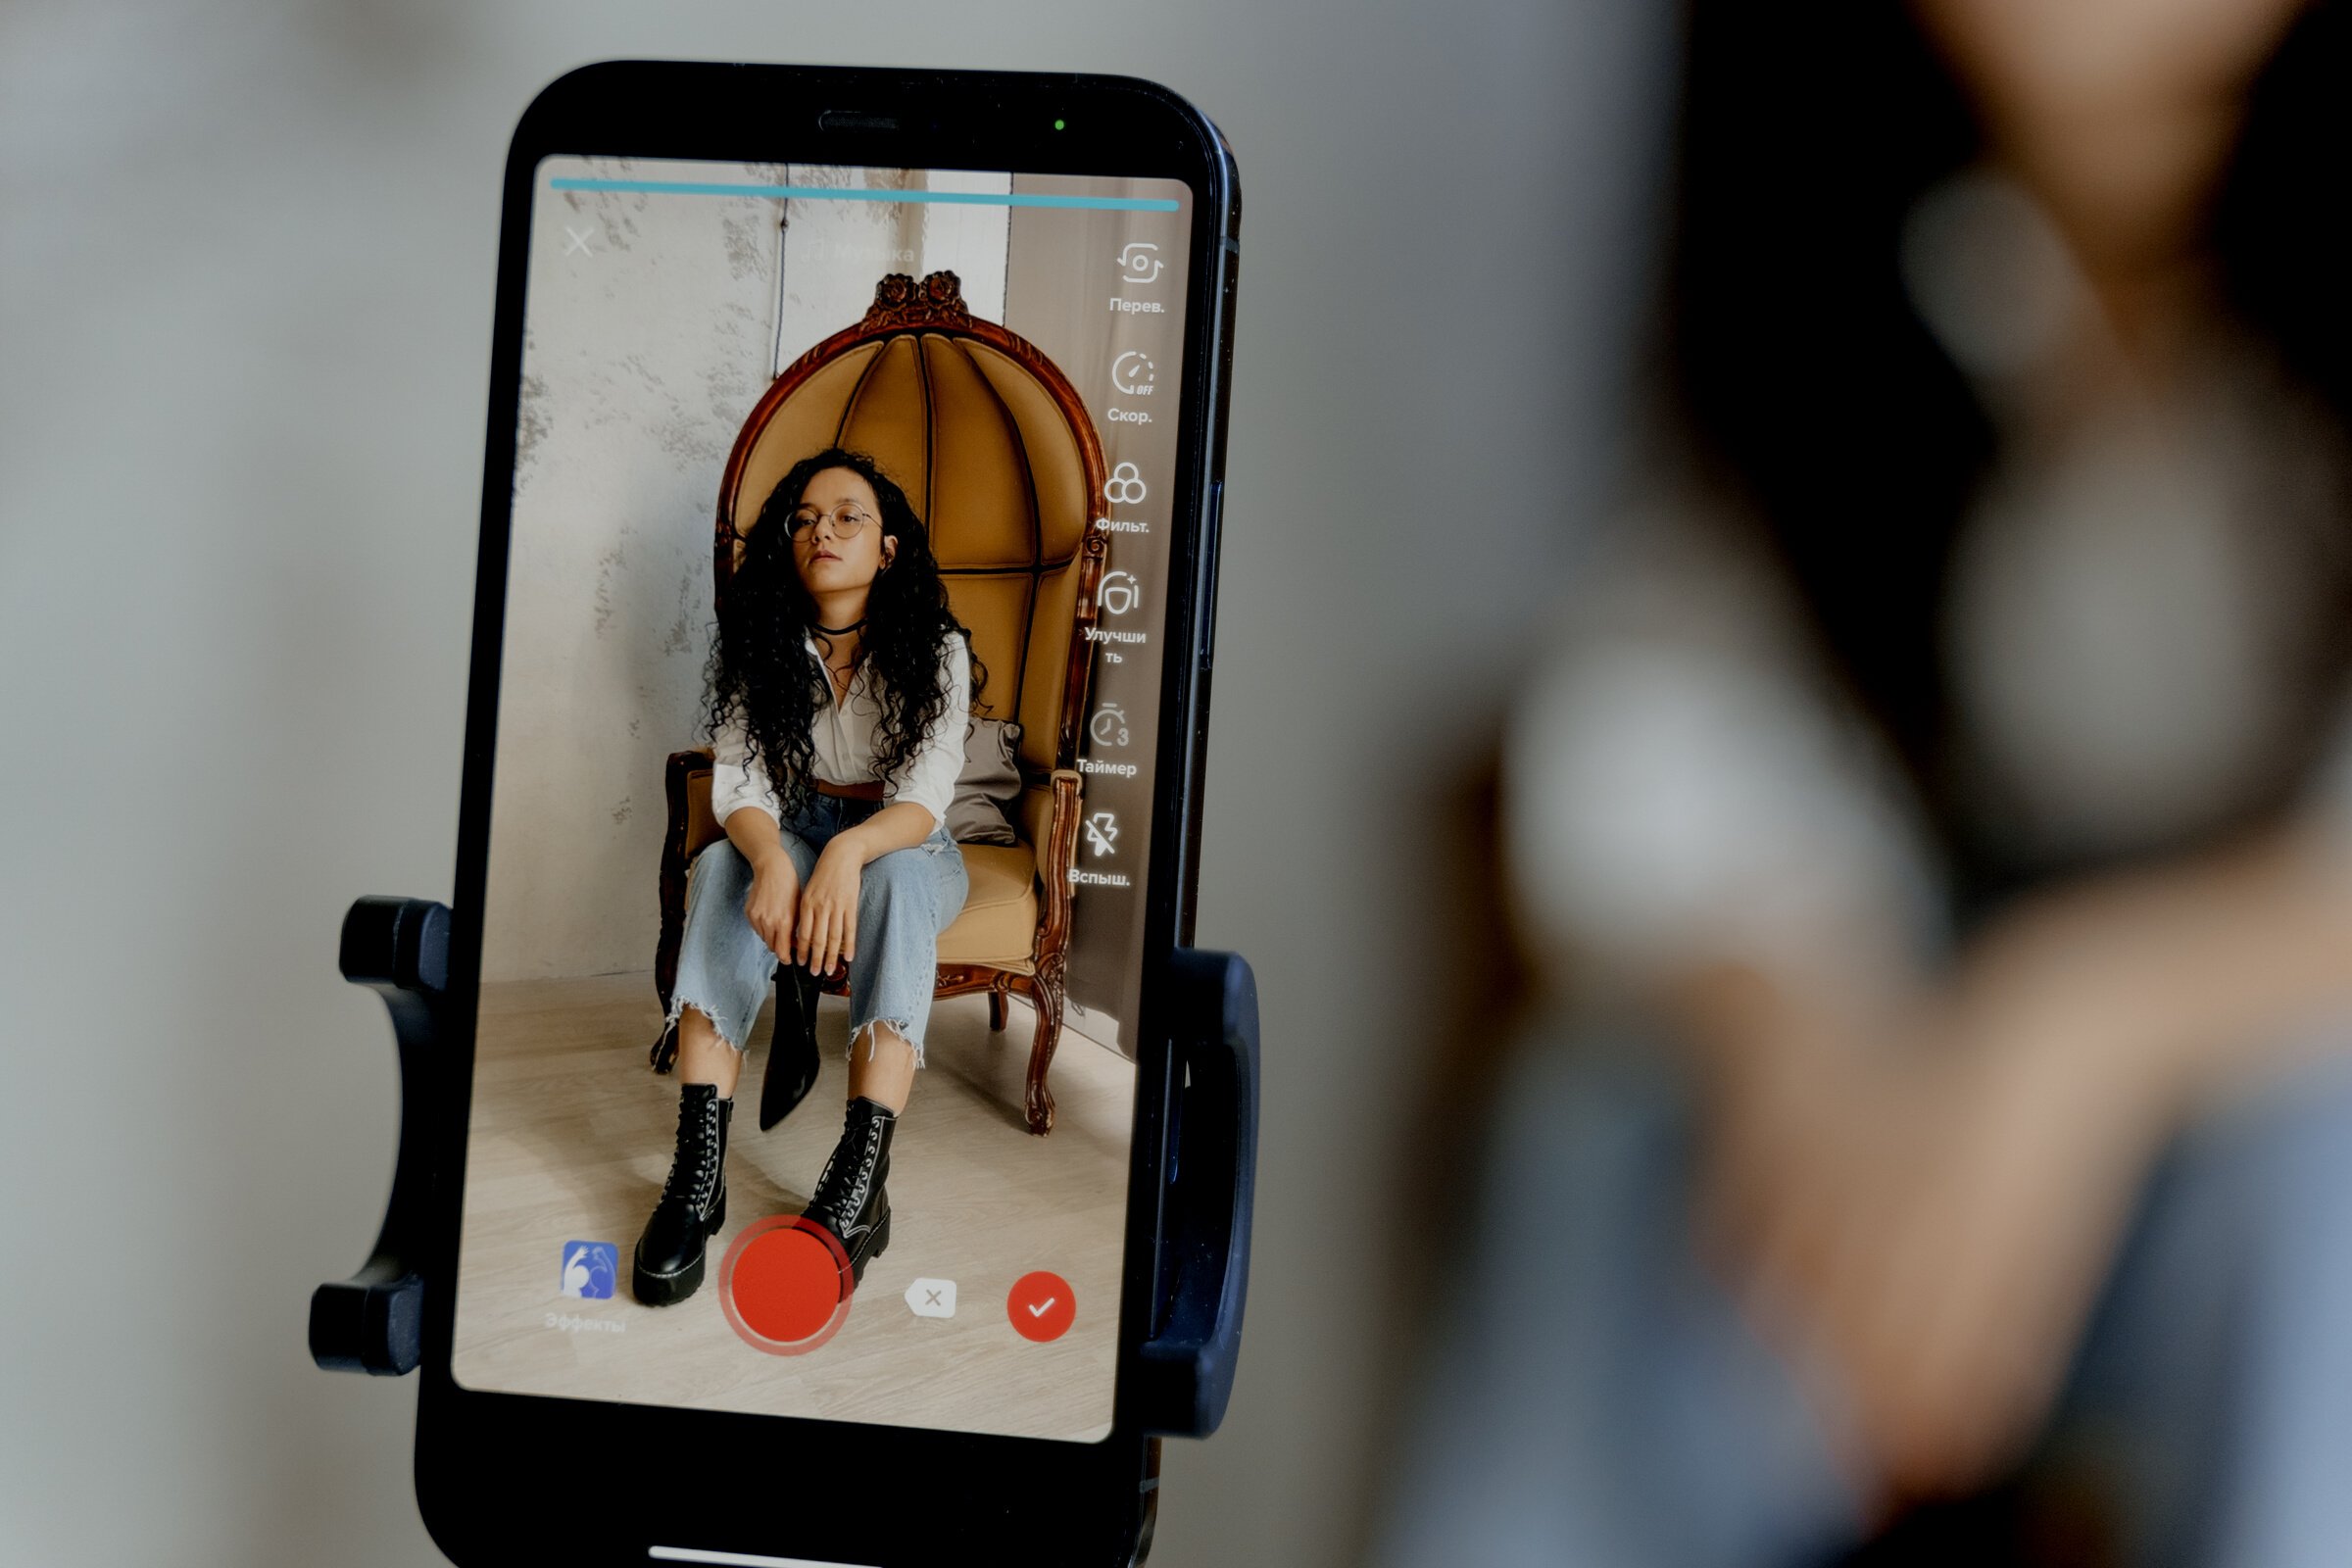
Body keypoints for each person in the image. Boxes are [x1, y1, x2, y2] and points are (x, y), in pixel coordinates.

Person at [1380, 2, 2352, 1563]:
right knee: (1599, 1125)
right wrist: (1797, 1027)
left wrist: (2084, 1022)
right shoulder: (1846, 242)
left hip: (2246, 1092)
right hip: (1909, 1051)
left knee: (2328, 1157)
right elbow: (1668, 706)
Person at [633, 447, 975, 1308]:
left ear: (888, 547)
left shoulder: (936, 649)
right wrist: (772, 856)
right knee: (716, 862)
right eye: (806, 518)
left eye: (849, 515)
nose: (824, 530)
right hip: (794, 822)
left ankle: (860, 1184)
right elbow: (741, 780)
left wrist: (850, 854)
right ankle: (696, 1173)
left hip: (908, 844)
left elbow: (926, 799)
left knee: (892, 878)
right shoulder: (767, 644)